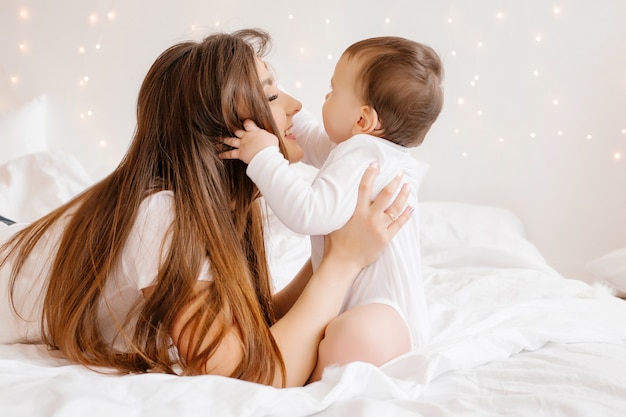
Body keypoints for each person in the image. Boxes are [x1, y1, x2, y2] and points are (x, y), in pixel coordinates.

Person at [0, 29, 413, 388]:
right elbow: (252, 374)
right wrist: (342, 263)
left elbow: (256, 329)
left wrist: (336, 252)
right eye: (270, 93)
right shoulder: (161, 215)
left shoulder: (218, 208)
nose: (297, 105)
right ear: (224, 129)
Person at [221, 36, 444, 381]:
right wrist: (271, 102)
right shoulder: (363, 150)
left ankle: (311, 386)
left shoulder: (364, 155)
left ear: (363, 120)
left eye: (334, 90)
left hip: (380, 316)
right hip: (391, 318)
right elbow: (308, 135)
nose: (324, 97)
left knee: (350, 336)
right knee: (343, 333)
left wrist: (263, 157)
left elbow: (308, 213)